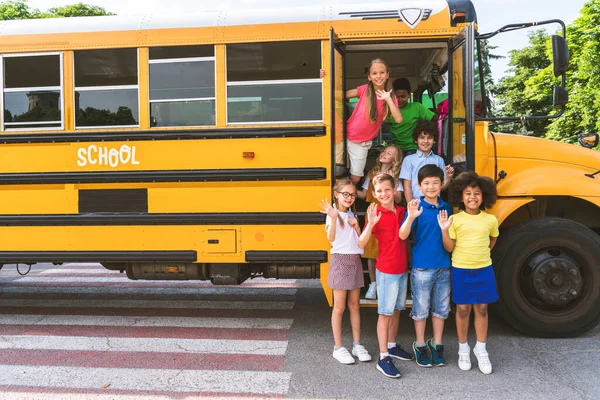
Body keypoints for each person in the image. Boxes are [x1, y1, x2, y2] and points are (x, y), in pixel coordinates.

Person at [437, 171, 499, 375]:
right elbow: (448, 247)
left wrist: (480, 255)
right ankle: (463, 349)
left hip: (483, 269)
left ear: (484, 196)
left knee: (482, 308)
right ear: (461, 197)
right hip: (461, 269)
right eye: (468, 193)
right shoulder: (454, 219)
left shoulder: (490, 219)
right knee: (463, 309)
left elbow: (492, 241)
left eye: (477, 193)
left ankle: (481, 349)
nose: (473, 197)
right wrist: (445, 230)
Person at [358, 173, 413, 378]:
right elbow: (361, 244)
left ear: (395, 189)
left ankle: (391, 345)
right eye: (379, 191)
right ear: (374, 193)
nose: (384, 194)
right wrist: (371, 223)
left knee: (398, 309)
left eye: (387, 190)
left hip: (401, 269)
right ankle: (383, 357)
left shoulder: (401, 211)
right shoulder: (375, 213)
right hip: (386, 270)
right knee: (385, 313)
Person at [399, 164, 452, 368]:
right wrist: (411, 216)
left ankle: (437, 344)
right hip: (421, 266)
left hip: (443, 266)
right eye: (426, 183)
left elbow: (449, 245)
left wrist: (445, 230)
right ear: (420, 185)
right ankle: (420, 344)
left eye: (435, 183)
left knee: (441, 310)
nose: (431, 187)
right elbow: (403, 235)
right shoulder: (415, 206)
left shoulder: (446, 208)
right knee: (421, 310)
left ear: (442, 184)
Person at [319, 179, 372, 365]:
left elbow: (359, 243)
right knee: (339, 307)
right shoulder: (333, 214)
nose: (349, 198)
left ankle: (357, 344)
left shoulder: (352, 214)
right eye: (345, 194)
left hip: (354, 260)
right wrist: (333, 217)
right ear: (336, 195)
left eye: (352, 195)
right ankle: (338, 347)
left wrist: (357, 226)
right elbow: (331, 238)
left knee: (355, 305)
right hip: (340, 260)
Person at [357, 145, 403, 300]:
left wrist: (392, 182)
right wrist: (348, 187)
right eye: (384, 151)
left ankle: (383, 281)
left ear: (395, 160)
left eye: (389, 153)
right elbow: (364, 195)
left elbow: (399, 199)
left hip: (388, 215)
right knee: (371, 251)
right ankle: (373, 284)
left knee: (386, 248)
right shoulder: (371, 174)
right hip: (373, 214)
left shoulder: (396, 176)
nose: (384, 153)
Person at [345, 58, 402, 184]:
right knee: (336, 168)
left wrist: (388, 99)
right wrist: (326, 78)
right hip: (344, 136)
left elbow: (398, 119)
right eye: (374, 73)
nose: (378, 76)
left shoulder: (391, 96)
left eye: (382, 72)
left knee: (355, 178)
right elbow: (341, 94)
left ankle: (347, 197)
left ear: (387, 74)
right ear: (369, 77)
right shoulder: (365, 89)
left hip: (361, 143)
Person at [400, 120, 455, 203]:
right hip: (416, 204)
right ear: (416, 140)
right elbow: (407, 186)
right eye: (422, 137)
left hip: (435, 205)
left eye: (429, 138)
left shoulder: (439, 160)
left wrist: (449, 177)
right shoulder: (408, 160)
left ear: (434, 140)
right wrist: (410, 206)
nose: (425, 141)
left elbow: (441, 187)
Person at [388, 78, 438, 156]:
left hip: (413, 148)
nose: (400, 99)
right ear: (392, 96)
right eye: (397, 97)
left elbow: (435, 118)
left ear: (409, 95)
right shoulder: (389, 110)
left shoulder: (417, 107)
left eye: (403, 96)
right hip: (396, 148)